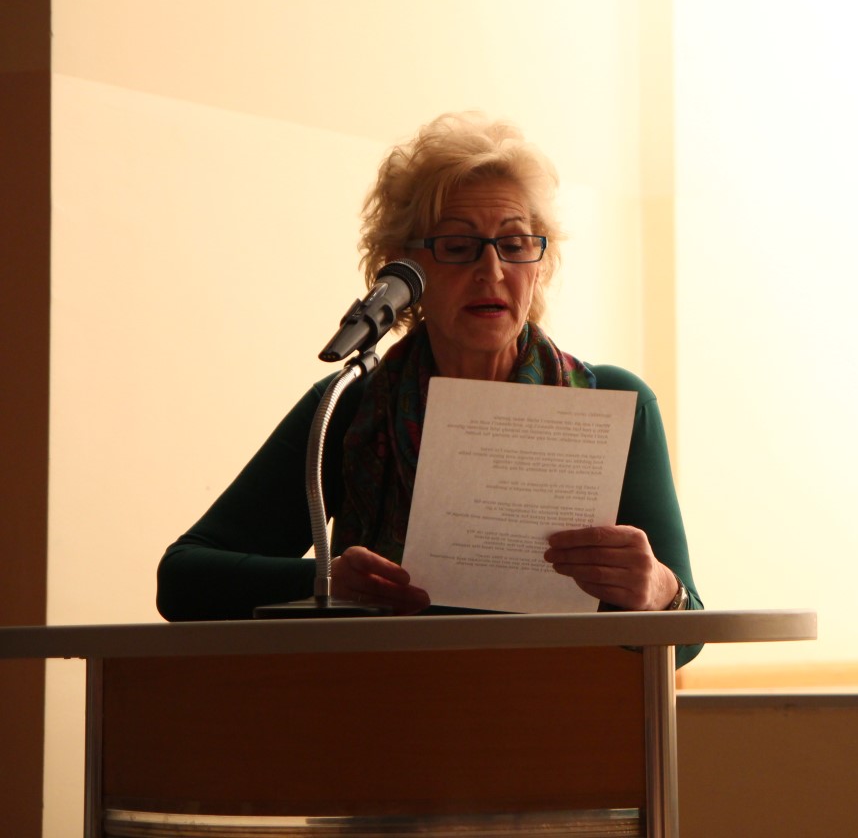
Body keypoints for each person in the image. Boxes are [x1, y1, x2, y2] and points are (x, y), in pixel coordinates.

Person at [157, 112, 701, 664]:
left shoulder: (614, 403)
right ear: (406, 268)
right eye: (458, 246)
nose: (492, 271)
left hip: (559, 706)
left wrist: (660, 590)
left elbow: (686, 640)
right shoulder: (348, 405)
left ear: (540, 264)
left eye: (515, 244)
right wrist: (326, 581)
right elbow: (181, 580)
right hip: (384, 704)